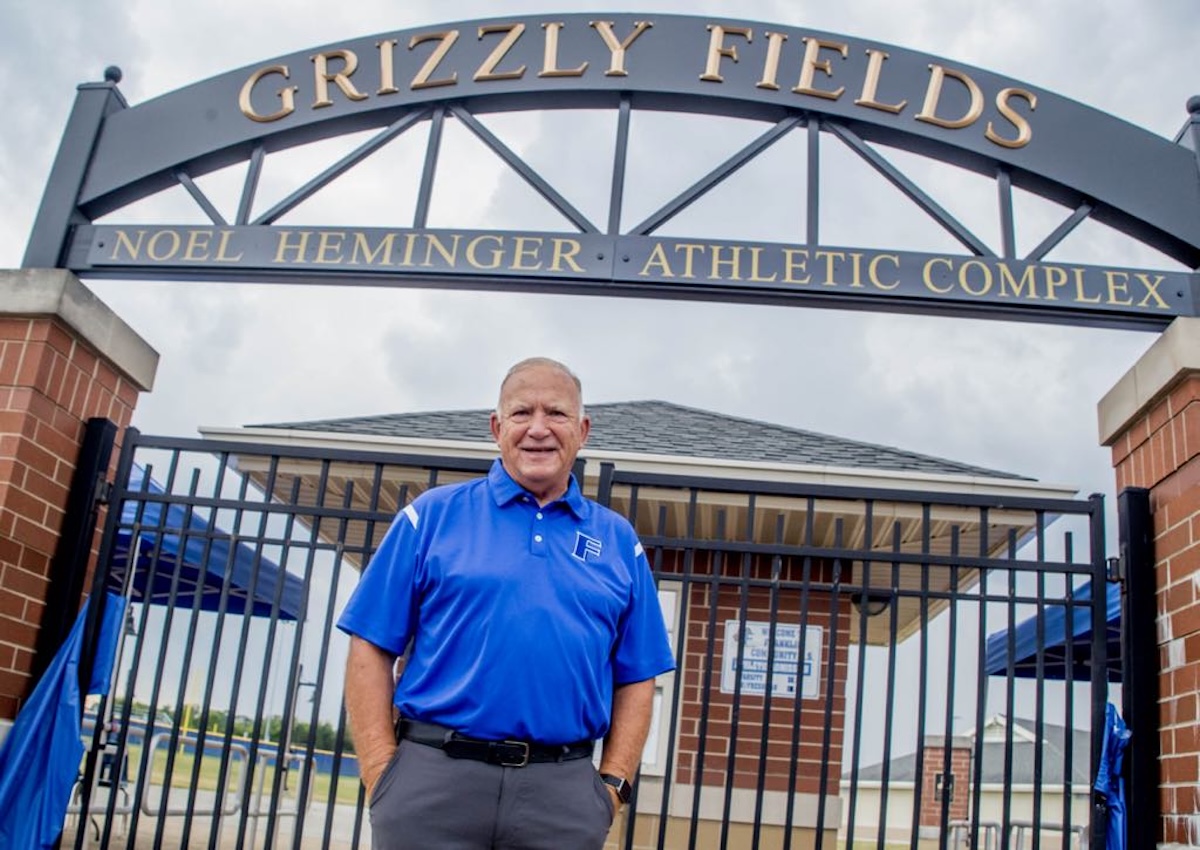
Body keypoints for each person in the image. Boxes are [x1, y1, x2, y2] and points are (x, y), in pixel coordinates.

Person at [338, 356, 676, 850]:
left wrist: (613, 787)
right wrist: (381, 772)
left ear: (582, 431)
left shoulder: (619, 542)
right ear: (497, 428)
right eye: (522, 413)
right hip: (431, 784)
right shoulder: (430, 519)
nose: (538, 429)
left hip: (562, 797)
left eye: (556, 414)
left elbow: (638, 676)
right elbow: (369, 646)